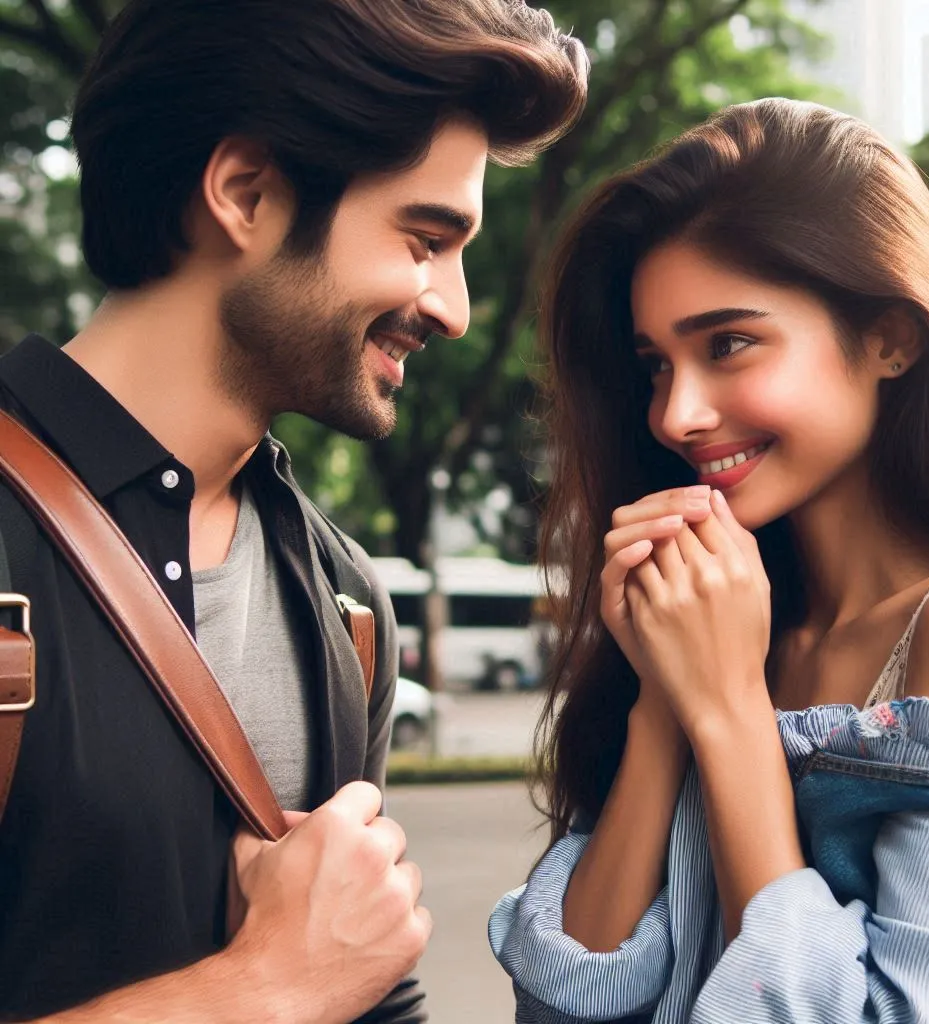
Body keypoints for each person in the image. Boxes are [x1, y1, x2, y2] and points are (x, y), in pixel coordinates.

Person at [0, 1, 587, 1021]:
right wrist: (258, 989)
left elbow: (360, 987)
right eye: (423, 238)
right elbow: (302, 978)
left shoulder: (348, 603)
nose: (449, 304)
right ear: (246, 193)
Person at [489, 98, 929, 1022]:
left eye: (729, 344)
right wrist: (669, 695)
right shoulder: (724, 613)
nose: (675, 414)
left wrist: (732, 710)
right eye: (655, 363)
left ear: (891, 338)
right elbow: (567, 1004)